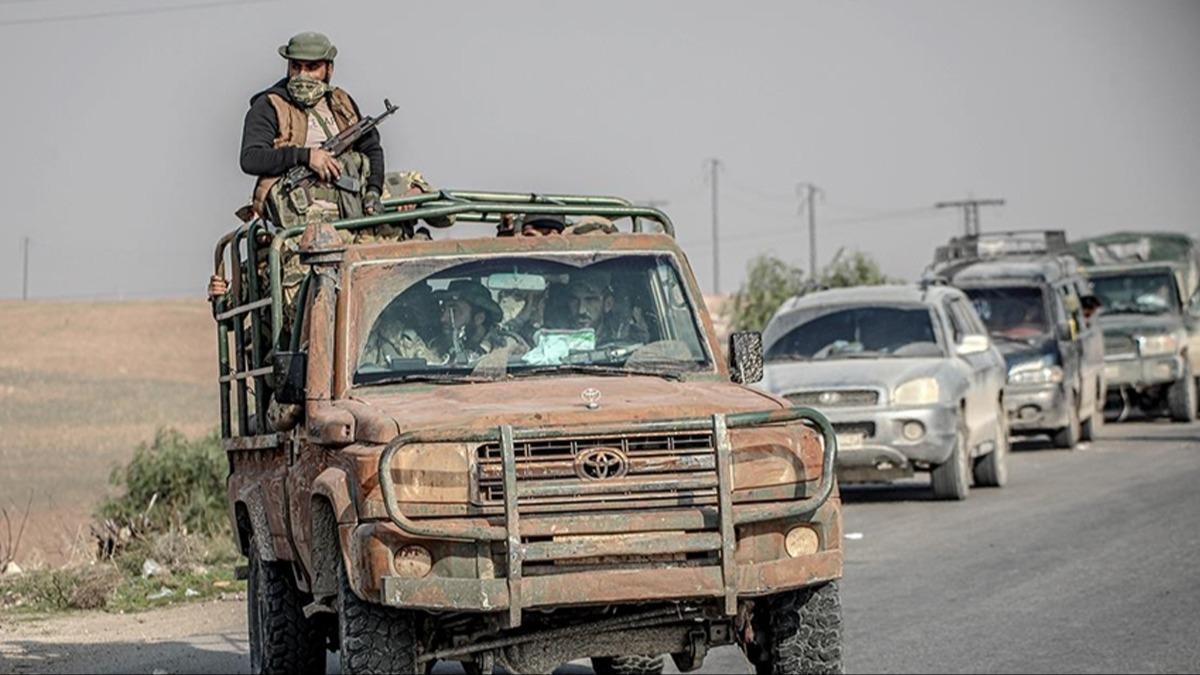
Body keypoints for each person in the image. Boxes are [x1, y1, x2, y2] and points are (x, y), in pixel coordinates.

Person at [559, 273, 650, 344]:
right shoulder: (554, 338)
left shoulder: (624, 339)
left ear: (608, 304)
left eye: (590, 300)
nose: (581, 310)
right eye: (574, 300)